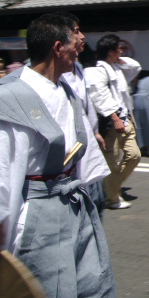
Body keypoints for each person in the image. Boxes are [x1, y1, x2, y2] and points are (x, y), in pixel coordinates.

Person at [0, 13, 116, 298]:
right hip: (39, 215)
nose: (82, 43)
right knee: (48, 290)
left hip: (74, 203)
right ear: (58, 47)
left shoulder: (67, 90)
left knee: (91, 284)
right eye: (76, 37)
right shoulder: (12, 100)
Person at [85, 34, 142, 210]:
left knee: (134, 155)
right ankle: (112, 198)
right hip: (111, 124)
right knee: (112, 161)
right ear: (110, 51)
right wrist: (115, 117)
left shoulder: (117, 68)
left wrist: (118, 59)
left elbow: (136, 67)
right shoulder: (96, 71)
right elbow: (100, 96)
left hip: (126, 120)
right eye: (118, 48)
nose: (121, 51)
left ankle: (111, 187)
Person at [60, 14, 108, 219]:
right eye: (77, 31)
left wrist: (95, 130)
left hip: (87, 139)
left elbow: (85, 103)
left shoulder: (78, 68)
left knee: (96, 201)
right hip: (68, 149)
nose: (83, 36)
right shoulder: (49, 73)